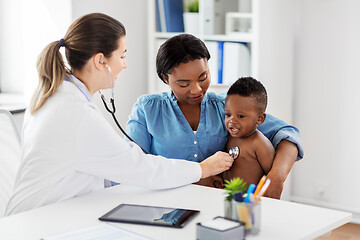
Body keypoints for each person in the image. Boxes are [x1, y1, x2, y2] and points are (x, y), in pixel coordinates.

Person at [5, 13, 234, 216]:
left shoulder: (54, 95)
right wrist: (202, 168)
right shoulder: (77, 113)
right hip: (38, 221)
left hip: (36, 216)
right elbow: (138, 168)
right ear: (101, 61)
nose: (125, 65)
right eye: (122, 55)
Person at [126, 33, 304, 198]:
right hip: (165, 201)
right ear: (166, 79)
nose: (196, 89)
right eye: (184, 83)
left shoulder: (227, 107)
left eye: (203, 77)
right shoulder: (148, 109)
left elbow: (287, 135)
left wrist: (276, 178)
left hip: (218, 203)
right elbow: (132, 165)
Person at [223, 77, 275, 186]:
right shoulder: (229, 137)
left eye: (240, 116)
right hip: (229, 196)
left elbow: (272, 180)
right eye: (228, 114)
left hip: (249, 200)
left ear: (259, 118)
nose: (231, 120)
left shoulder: (260, 144)